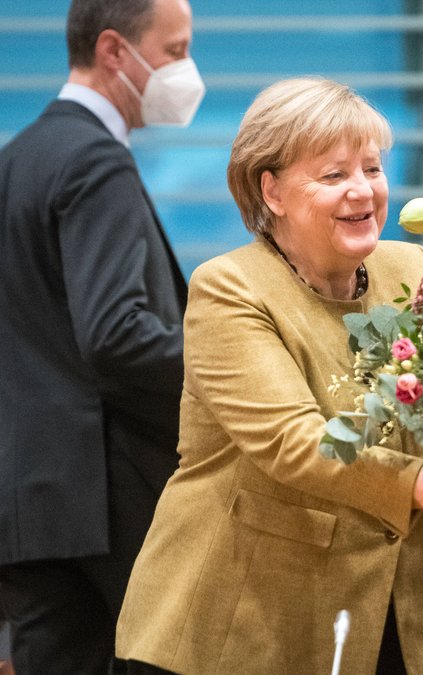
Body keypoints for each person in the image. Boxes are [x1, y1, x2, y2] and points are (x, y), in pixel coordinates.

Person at [114, 77, 423, 675]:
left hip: (406, 624)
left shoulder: (413, 268)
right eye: (333, 175)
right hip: (245, 632)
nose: (362, 191)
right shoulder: (230, 289)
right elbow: (298, 447)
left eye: (372, 169)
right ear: (270, 190)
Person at [0, 0, 201, 672]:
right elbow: (116, 335)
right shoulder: (97, 160)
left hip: (30, 494)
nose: (186, 71)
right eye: (174, 51)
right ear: (115, 50)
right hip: (107, 494)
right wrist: (231, 356)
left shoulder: (18, 157)